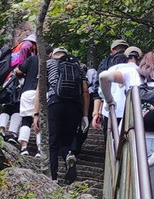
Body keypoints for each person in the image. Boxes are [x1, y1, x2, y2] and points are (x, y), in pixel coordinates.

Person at [45, 46, 89, 183]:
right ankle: (69, 154)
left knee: (53, 142)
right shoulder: (78, 66)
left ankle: (53, 177)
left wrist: (36, 113)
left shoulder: (48, 64)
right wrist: (85, 115)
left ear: (53, 55)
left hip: (55, 104)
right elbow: (86, 91)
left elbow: (40, 88)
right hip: (75, 106)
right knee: (66, 141)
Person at [91, 39, 128, 129]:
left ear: (112, 50)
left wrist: (96, 112)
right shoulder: (134, 63)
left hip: (110, 108)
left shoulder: (106, 62)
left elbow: (98, 88)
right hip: (131, 110)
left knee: (111, 139)